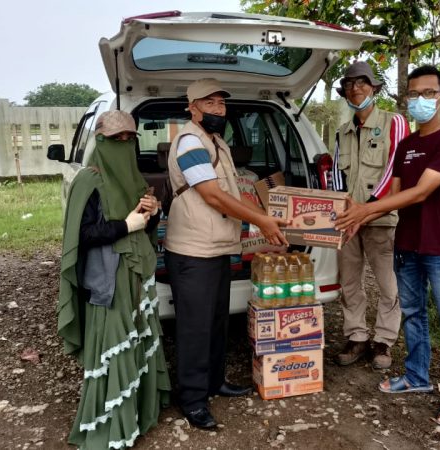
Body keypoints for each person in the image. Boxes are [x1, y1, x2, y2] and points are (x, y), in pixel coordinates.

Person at [334, 65, 440, 426]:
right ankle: (416, 376)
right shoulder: (408, 144)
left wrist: (364, 210)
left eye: (429, 93)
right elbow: (395, 194)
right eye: (414, 94)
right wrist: (356, 215)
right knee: (412, 314)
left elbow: (422, 191)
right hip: (408, 242)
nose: (421, 100)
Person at [165, 78, 288, 429]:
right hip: (193, 250)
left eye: (221, 104)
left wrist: (264, 214)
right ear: (192, 107)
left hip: (217, 246)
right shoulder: (190, 141)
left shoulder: (216, 140)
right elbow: (213, 195)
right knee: (194, 328)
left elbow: (233, 191)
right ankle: (192, 399)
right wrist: (262, 221)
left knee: (217, 322)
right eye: (209, 104)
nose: (218, 109)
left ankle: (214, 381)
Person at [58, 110, 171, 449]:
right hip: (109, 276)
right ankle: (111, 422)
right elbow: (82, 235)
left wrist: (152, 213)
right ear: (101, 140)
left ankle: (138, 409)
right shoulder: (88, 180)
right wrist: (125, 226)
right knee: (114, 341)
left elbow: (144, 225)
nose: (123, 144)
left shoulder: (133, 176)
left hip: (137, 273)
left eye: (129, 139)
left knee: (138, 336)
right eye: (116, 139)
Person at [331, 61, 409, 369]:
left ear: (374, 88)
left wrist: (369, 207)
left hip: (381, 218)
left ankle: (384, 341)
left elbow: (395, 168)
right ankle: (357, 337)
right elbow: (338, 175)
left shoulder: (395, 122)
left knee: (388, 285)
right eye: (349, 85)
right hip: (347, 221)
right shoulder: (342, 131)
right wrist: (344, 208)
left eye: (361, 83)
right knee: (349, 282)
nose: (355, 89)